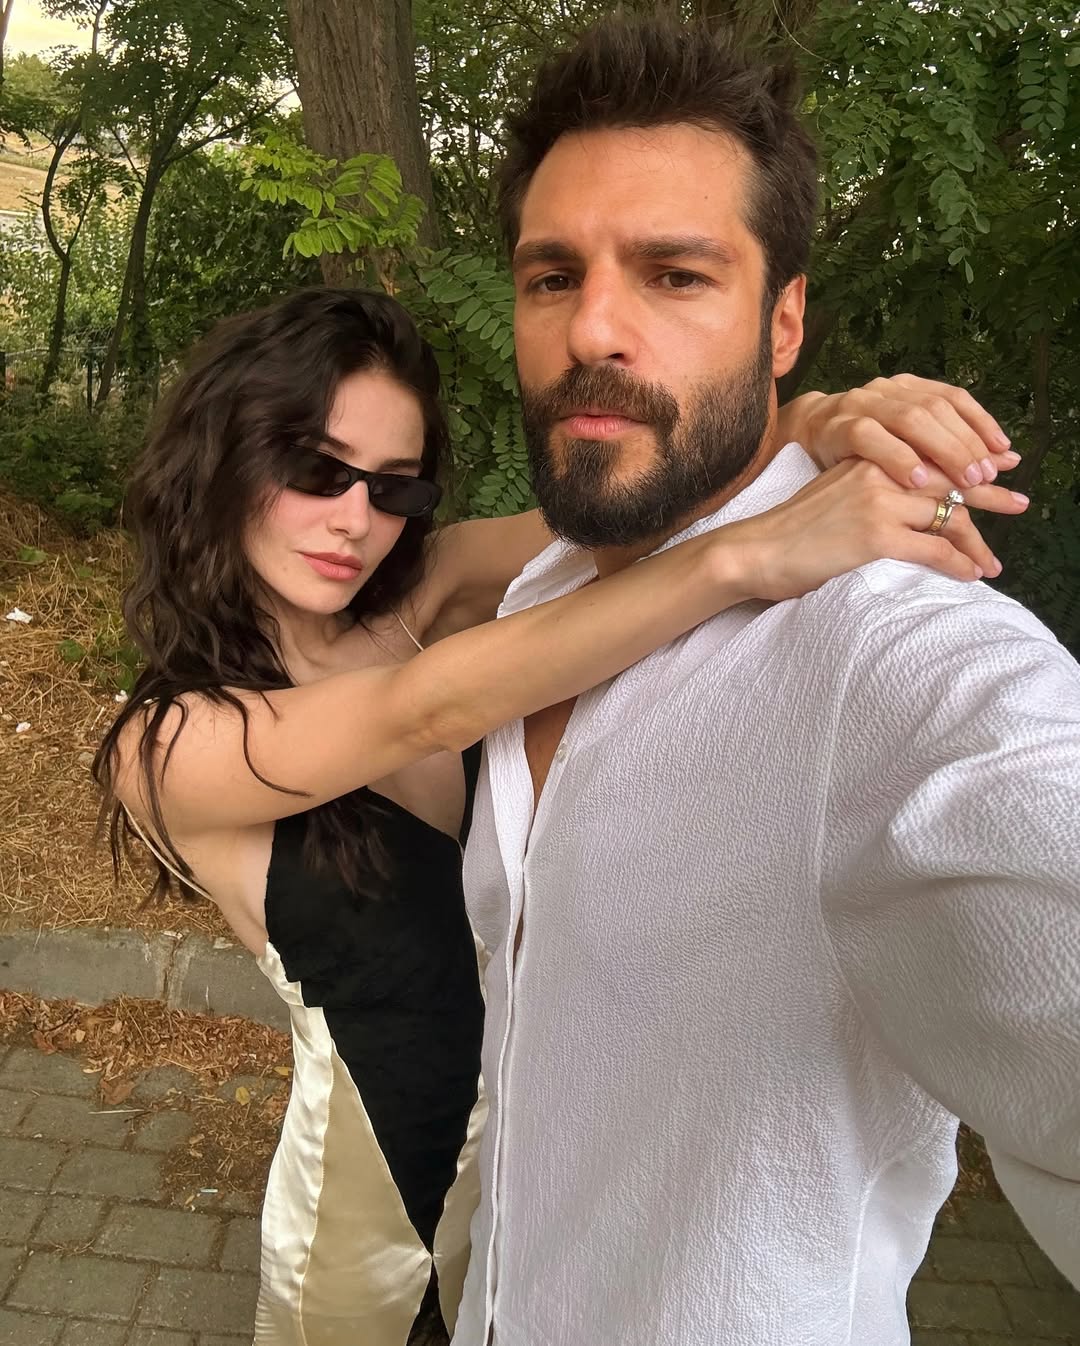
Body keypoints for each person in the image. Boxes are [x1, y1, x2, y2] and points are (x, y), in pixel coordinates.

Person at [94, 287, 1016, 1346]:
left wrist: (808, 422)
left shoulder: (429, 590)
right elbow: (425, 708)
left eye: (395, 487)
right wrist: (741, 558)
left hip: (533, 1173)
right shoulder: (166, 745)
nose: (355, 519)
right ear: (225, 456)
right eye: (316, 470)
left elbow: (648, 516)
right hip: (366, 1223)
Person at [451, 17, 1080, 1346]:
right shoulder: (540, 594)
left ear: (783, 321)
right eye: (552, 276)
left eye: (675, 275)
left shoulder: (888, 658)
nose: (593, 328)